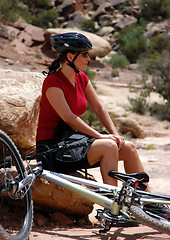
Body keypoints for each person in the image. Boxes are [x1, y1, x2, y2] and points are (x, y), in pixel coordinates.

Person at [36, 32, 150, 189]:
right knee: (109, 146)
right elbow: (68, 117)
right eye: (84, 54)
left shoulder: (81, 78)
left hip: (72, 141)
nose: (89, 59)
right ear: (70, 57)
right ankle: (113, 205)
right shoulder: (53, 82)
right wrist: (98, 136)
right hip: (53, 149)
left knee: (128, 147)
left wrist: (115, 134)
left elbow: (99, 108)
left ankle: (147, 204)